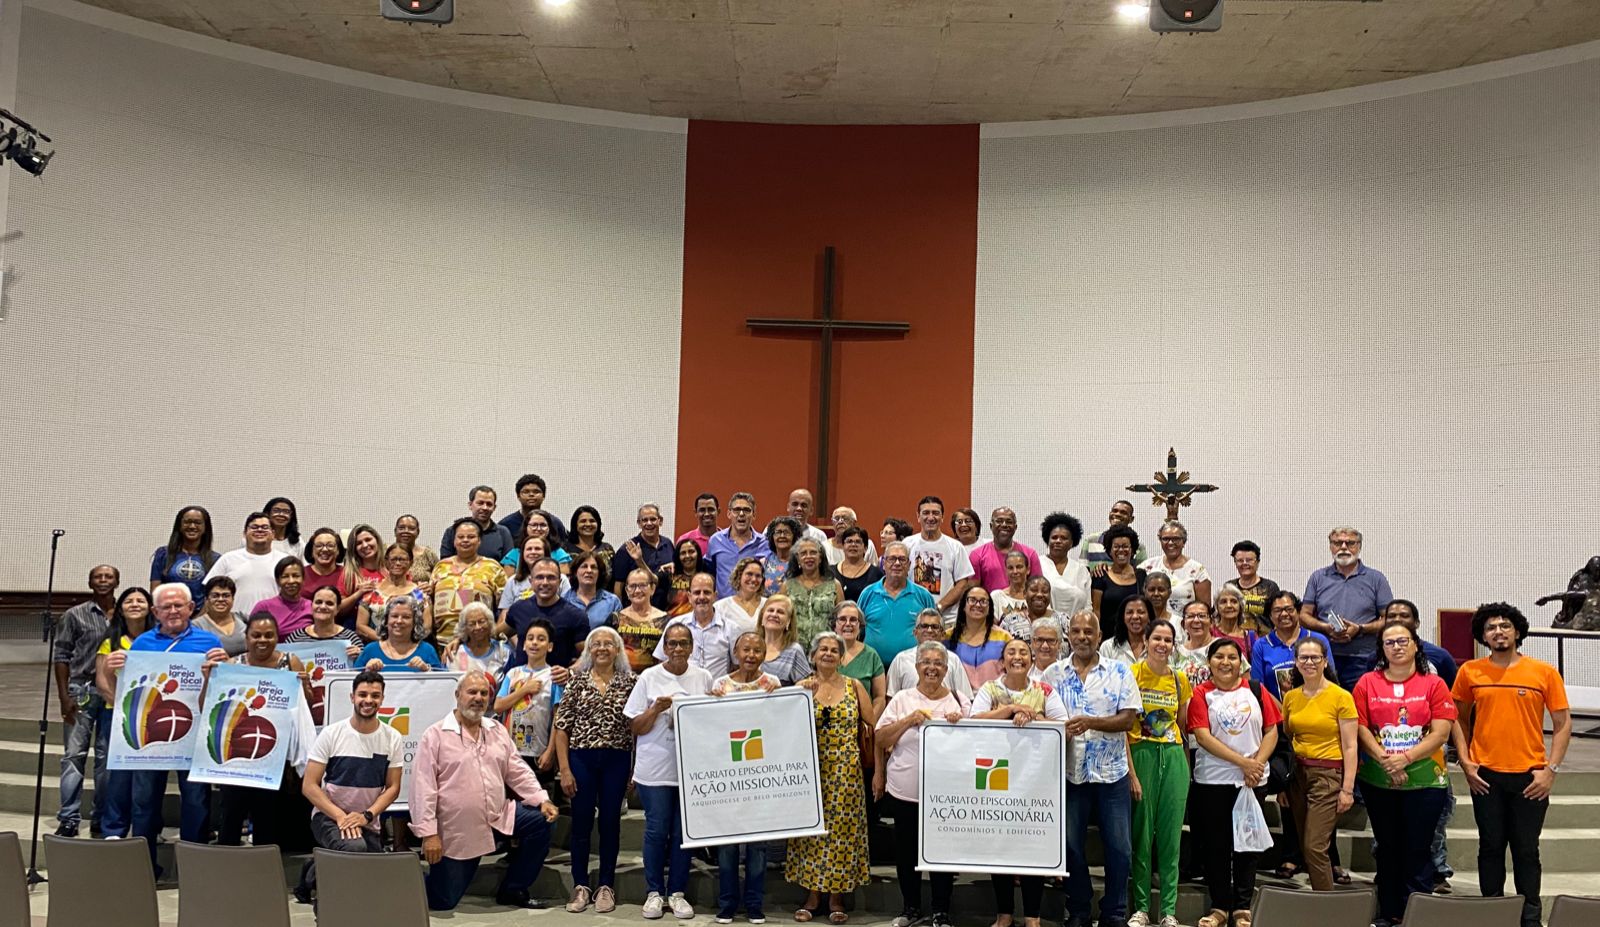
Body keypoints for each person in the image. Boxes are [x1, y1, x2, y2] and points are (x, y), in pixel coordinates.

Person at [1453, 602, 1571, 927]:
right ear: (1483, 635)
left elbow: (1562, 723)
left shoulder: (1543, 672)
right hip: (1485, 777)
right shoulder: (1470, 672)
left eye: (1504, 626)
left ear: (1517, 631)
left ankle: (1530, 919)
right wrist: (1465, 762)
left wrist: (1551, 770)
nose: (1498, 632)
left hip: (1530, 778)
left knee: (1526, 850)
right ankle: (1491, 914)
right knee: (1490, 847)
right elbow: (1458, 720)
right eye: (1491, 627)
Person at [101, 584, 227, 875]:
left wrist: (224, 666)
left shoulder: (209, 642)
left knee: (196, 800)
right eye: (166, 607)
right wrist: (110, 668)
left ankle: (195, 865)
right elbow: (125, 692)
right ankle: (145, 864)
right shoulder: (142, 644)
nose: (173, 611)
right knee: (144, 800)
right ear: (155, 612)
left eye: (179, 605)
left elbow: (222, 689)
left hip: (193, 735)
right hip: (150, 736)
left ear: (191, 608)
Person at [411, 670, 560, 911]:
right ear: (457, 695)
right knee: (443, 901)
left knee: (542, 820)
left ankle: (514, 888)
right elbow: (423, 788)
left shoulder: (496, 730)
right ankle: (401, 886)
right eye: (472, 692)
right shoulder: (435, 735)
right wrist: (429, 834)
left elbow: (517, 769)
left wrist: (542, 799)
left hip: (499, 816)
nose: (478, 698)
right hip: (458, 830)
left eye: (484, 693)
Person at [1351, 621, 1454, 926]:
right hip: (1378, 779)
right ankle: (1389, 913)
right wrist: (1385, 759)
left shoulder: (1433, 684)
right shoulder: (1367, 683)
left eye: (1402, 641)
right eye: (1389, 642)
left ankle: (1416, 916)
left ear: (1415, 645)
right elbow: (1359, 726)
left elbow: (1441, 732)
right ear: (1381, 648)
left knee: (1418, 849)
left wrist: (1405, 759)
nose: (1396, 647)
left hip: (1424, 781)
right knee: (1387, 847)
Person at [1042, 611, 1139, 927]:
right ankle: (1079, 908)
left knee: (1120, 848)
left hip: (1111, 773)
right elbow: (1040, 718)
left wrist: (1090, 723)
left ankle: (1114, 911)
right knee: (1070, 847)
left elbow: (1128, 719)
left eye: (1089, 632)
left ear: (1100, 637)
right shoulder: (1051, 675)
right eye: (1077, 631)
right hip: (1069, 774)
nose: (1083, 636)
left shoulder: (1120, 671)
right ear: (1069, 637)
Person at [968, 638, 1067, 927]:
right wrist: (1010, 710)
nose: (1018, 657)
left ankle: (1033, 916)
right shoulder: (990, 689)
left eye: (1023, 652)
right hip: (997, 778)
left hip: (1034, 780)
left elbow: (1065, 727)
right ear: (1003, 659)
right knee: (1000, 847)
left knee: (1031, 846)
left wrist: (1034, 715)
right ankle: (1004, 914)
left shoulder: (1044, 690)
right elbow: (974, 720)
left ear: (1031, 658)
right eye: (1011, 652)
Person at [1186, 638, 1280, 927]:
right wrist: (1244, 763)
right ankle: (1220, 907)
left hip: (1251, 783)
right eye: (1219, 657)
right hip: (1213, 782)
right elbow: (1202, 736)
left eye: (1232, 657)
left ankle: (1242, 908)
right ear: (1209, 662)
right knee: (1216, 846)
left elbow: (1272, 730)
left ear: (1242, 663)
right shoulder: (1201, 694)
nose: (1225, 662)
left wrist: (1257, 764)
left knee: (1247, 847)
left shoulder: (1255, 690)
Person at [874, 640, 968, 927]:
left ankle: (941, 911)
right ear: (916, 667)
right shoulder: (902, 698)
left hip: (944, 794)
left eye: (938, 663)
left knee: (941, 855)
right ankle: (910, 908)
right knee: (906, 854)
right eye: (926, 662)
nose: (932, 668)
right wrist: (908, 721)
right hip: (905, 791)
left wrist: (960, 723)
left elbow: (975, 743)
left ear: (946, 668)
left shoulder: (959, 700)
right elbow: (880, 739)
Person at [627, 623, 715, 919]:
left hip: (690, 769)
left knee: (682, 833)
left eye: (683, 643)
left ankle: (676, 893)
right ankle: (654, 892)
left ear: (692, 647)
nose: (677, 649)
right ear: (664, 648)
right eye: (672, 643)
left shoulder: (703, 677)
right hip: (654, 769)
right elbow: (635, 728)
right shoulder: (649, 677)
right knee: (656, 830)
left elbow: (712, 722)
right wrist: (655, 710)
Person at [294, 668, 403, 905]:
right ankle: (332, 907)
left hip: (365, 819)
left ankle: (312, 870)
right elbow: (309, 786)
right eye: (363, 694)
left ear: (382, 699)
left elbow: (393, 787)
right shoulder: (332, 734)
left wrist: (366, 816)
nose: (368, 700)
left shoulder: (392, 737)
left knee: (373, 871)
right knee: (354, 850)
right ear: (352, 697)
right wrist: (340, 816)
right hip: (329, 816)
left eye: (375, 696)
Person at [789, 631, 874, 924]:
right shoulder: (801, 687)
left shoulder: (855, 686)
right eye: (822, 649)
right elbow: (785, 727)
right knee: (811, 834)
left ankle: (837, 897)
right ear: (813, 655)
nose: (827, 653)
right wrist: (803, 695)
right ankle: (812, 895)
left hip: (846, 772)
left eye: (833, 650)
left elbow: (871, 728)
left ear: (841, 657)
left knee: (842, 835)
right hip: (810, 772)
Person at [554, 627, 636, 915]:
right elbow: (562, 727)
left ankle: (605, 885)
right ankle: (580, 885)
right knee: (581, 823)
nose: (602, 648)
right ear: (588, 651)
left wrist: (634, 770)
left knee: (611, 823)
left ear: (617, 650)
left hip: (617, 759)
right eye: (596, 644)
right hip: (582, 759)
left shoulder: (631, 682)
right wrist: (564, 769)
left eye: (608, 644)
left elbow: (636, 731)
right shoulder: (576, 682)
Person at [1381, 597, 1459, 891]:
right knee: (1389, 834)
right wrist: (1388, 759)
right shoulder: (1375, 665)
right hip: (1386, 762)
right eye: (1391, 616)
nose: (1397, 619)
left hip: (1430, 757)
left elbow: (1452, 709)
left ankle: (1436, 871)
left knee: (1434, 819)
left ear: (1416, 626)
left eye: (1404, 616)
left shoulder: (1440, 658)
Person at [215, 614, 310, 849]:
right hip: (236, 756)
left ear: (278, 637)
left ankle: (263, 875)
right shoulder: (231, 665)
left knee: (267, 818)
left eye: (269, 635)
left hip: (273, 756)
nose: (263, 640)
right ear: (246, 637)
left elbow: (305, 707)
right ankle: (223, 871)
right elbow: (213, 707)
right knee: (230, 816)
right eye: (256, 635)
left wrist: (305, 685)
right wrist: (210, 678)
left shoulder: (291, 662)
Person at [709, 633, 780, 925]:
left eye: (757, 650)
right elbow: (711, 726)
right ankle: (727, 903)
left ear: (765, 653)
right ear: (736, 652)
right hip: (729, 771)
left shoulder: (772, 684)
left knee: (758, 847)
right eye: (746, 649)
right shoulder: (720, 685)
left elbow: (780, 722)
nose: (751, 654)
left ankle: (754, 904)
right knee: (727, 845)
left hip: (760, 771)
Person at [1126, 619, 1191, 927]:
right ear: (1146, 641)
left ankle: (1168, 911)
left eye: (1168, 639)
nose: (1162, 644)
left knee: (1170, 838)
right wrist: (1132, 773)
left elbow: (1182, 722)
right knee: (1142, 834)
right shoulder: (1132, 674)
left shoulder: (1180, 679)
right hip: (1142, 754)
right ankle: (1140, 908)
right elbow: (1125, 725)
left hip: (1174, 755)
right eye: (1157, 638)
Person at [1280, 635, 1356, 894]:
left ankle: (1327, 907)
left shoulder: (1341, 696)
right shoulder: (1290, 697)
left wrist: (1347, 789)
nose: (1309, 662)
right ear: (1296, 662)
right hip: (1297, 775)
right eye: (1304, 657)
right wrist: (1283, 785)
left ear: (1325, 662)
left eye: (1315, 657)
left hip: (1327, 774)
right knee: (1305, 843)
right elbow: (1287, 740)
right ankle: (1318, 901)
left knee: (1315, 845)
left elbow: (1350, 746)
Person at [53, 564, 118, 838]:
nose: (103, 580)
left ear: (117, 581)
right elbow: (61, 655)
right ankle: (68, 817)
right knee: (73, 756)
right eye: (97, 577)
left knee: (105, 759)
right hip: (81, 690)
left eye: (108, 577)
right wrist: (64, 696)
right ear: (90, 582)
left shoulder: (126, 614)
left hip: (112, 693)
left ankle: (100, 816)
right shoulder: (74, 614)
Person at [92, 587, 153, 840]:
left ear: (151, 607)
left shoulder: (157, 640)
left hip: (151, 716)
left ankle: (148, 828)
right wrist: (124, 710)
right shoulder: (111, 642)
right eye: (129, 601)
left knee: (146, 777)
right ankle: (114, 828)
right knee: (117, 775)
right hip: (117, 715)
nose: (135, 604)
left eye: (141, 600)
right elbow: (102, 683)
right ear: (120, 609)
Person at [1300, 526, 1393, 691]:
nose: (1343, 547)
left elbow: (1390, 618)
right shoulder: (1318, 578)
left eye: (1350, 543)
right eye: (1337, 543)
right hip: (1324, 658)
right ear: (1331, 547)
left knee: (1358, 708)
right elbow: (1304, 616)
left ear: (1359, 546)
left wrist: (1360, 629)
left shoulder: (1376, 579)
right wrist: (1326, 628)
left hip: (1364, 658)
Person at [494, 619, 560, 773]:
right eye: (530, 638)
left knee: (540, 795)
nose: (534, 643)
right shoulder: (513, 673)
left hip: (539, 752)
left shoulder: (553, 676)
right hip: (511, 751)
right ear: (523, 645)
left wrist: (550, 751)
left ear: (549, 647)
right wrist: (524, 690)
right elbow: (498, 706)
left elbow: (558, 718)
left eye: (541, 639)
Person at [503, 558, 589, 673]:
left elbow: (588, 654)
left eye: (551, 577)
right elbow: (497, 634)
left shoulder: (575, 615)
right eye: (539, 577)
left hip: (557, 685)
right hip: (521, 684)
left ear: (559, 581)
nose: (545, 582)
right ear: (531, 581)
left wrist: (569, 672)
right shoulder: (518, 609)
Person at [859, 542, 938, 666]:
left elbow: (934, 632)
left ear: (909, 565)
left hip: (912, 667)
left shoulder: (923, 596)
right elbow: (858, 629)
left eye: (902, 559)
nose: (897, 563)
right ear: (883, 564)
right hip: (872, 667)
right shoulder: (868, 594)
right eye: (892, 559)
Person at [431, 517, 508, 641]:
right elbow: (429, 599)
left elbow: (505, 606)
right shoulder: (441, 566)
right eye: (460, 537)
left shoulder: (493, 567)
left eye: (471, 537)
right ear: (454, 541)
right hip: (441, 641)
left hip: (479, 642)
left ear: (479, 541)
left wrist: (495, 633)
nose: (465, 540)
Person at [1251, 590, 1335, 701]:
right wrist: (1282, 710)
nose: (1284, 614)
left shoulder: (1318, 640)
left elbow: (1331, 680)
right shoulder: (1261, 645)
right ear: (1270, 616)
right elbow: (1259, 688)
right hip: (1276, 714)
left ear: (1298, 612)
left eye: (1289, 609)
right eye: (1277, 610)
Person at [204, 511, 290, 616]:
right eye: (254, 527)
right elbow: (209, 593)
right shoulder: (228, 559)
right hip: (234, 624)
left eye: (264, 527)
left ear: (273, 534)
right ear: (244, 533)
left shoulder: (285, 560)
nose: (259, 530)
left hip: (273, 624)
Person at [905, 496, 976, 620]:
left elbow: (962, 583)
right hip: (912, 617)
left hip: (947, 619)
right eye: (926, 513)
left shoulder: (955, 547)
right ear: (918, 516)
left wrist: (939, 606)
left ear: (942, 517)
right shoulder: (907, 544)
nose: (931, 518)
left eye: (936, 513)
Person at [655, 572, 736, 678]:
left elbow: (736, 667)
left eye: (707, 592)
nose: (701, 597)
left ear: (715, 596)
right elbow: (661, 661)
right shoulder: (674, 624)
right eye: (697, 592)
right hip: (681, 691)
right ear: (689, 596)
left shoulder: (731, 628)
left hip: (717, 693)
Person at [886, 608, 973, 698]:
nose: (929, 630)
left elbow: (965, 698)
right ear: (915, 632)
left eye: (935, 627)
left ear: (943, 634)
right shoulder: (901, 659)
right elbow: (891, 698)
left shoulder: (954, 660)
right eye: (924, 626)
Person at [357, 543, 432, 643]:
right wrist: (386, 642)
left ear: (411, 562)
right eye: (393, 559)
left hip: (412, 648)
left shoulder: (419, 593)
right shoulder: (372, 591)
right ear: (386, 562)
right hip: (378, 647)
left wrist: (409, 642)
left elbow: (427, 625)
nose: (397, 563)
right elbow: (360, 626)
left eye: (402, 560)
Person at [610, 504, 676, 609]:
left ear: (660, 521)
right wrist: (620, 613)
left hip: (666, 611)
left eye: (653, 519)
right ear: (639, 523)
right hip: (637, 612)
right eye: (644, 520)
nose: (649, 523)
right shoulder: (628, 549)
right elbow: (618, 586)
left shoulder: (668, 544)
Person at [1139, 520, 1210, 619]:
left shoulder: (1198, 570)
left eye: (1176, 539)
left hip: (1185, 629)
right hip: (1152, 626)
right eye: (1166, 539)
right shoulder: (1146, 566)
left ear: (1184, 542)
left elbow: (1204, 609)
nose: (1170, 543)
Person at [150, 506, 219, 605]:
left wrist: (197, 620)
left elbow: (213, 596)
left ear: (205, 528)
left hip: (200, 618)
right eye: (187, 522)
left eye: (197, 523)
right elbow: (155, 592)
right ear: (179, 526)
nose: (192, 526)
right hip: (167, 615)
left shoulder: (215, 559)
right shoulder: (163, 554)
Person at [708, 492, 772, 598]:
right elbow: (710, 573)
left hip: (752, 607)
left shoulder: (764, 543)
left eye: (747, 510)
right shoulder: (716, 540)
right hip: (722, 608)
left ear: (754, 515)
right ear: (729, 514)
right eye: (737, 510)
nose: (741, 514)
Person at [1091, 524, 1146, 641]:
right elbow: (1096, 611)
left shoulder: (1142, 575)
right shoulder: (1100, 575)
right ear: (1109, 550)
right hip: (1108, 639)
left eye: (1125, 546)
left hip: (1137, 638)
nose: (1121, 550)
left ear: (1132, 550)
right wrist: (1096, 638)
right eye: (1116, 546)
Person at [968, 507, 1043, 593]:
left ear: (1015, 527)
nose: (1004, 525)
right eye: (999, 521)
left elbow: (1037, 588)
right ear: (991, 526)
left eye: (1009, 522)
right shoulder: (977, 555)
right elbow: (973, 592)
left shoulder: (1030, 554)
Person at [947, 586, 1010, 689]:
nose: (977, 605)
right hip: (959, 699)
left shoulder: (1004, 637)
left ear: (990, 608)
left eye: (983, 601)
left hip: (996, 699)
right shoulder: (948, 637)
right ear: (963, 605)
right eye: (972, 600)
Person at [358, 597, 443, 672]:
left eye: (406, 617)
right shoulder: (370, 650)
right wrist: (366, 671)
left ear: (415, 622)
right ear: (386, 621)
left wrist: (427, 670)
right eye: (394, 616)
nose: (399, 621)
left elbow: (443, 685)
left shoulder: (427, 650)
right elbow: (351, 683)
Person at [833, 602, 887, 718]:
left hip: (862, 724)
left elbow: (880, 697)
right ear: (834, 625)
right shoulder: (825, 653)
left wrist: (869, 723)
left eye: (853, 620)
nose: (848, 624)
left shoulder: (871, 655)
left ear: (860, 625)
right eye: (842, 619)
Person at [785, 537, 842, 645]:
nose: (808, 557)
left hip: (826, 649)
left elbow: (841, 620)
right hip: (793, 647)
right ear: (797, 558)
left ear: (820, 557)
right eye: (803, 553)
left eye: (813, 552)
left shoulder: (834, 585)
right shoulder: (787, 586)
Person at [439, 484, 516, 562]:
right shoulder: (453, 531)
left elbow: (510, 564)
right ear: (470, 505)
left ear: (494, 508)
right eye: (480, 503)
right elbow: (445, 563)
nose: (485, 508)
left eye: (489, 504)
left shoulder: (503, 533)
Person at [499, 535, 568, 622]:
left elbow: (567, 610)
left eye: (537, 549)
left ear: (545, 552)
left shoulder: (562, 579)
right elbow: (505, 615)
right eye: (529, 549)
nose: (533, 552)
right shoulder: (513, 581)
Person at [285, 586, 365, 661]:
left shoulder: (351, 639)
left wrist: (360, 657)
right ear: (311, 606)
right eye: (318, 602)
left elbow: (363, 670)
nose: (323, 607)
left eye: (329, 603)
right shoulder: (295, 637)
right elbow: (283, 666)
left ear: (337, 609)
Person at [1039, 511, 1091, 619]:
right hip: (1044, 627)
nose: (1058, 541)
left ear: (1071, 543)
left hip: (1075, 629)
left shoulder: (1081, 570)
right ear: (1047, 540)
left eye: (1063, 538)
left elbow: (1088, 606)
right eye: (1054, 537)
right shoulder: (1038, 564)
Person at [616, 568, 669, 673]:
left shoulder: (666, 620)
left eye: (642, 585)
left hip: (656, 679)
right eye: (632, 586)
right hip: (622, 679)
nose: (637, 591)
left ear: (652, 588)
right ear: (626, 590)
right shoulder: (615, 619)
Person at [445, 602, 514, 681]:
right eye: (472, 624)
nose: (477, 627)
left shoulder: (504, 653)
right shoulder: (453, 653)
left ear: (490, 623)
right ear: (464, 628)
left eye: (482, 621)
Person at [757, 595, 813, 685]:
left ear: (788, 621)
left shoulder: (794, 650)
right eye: (770, 610)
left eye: (780, 612)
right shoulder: (751, 646)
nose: (774, 615)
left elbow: (804, 688)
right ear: (762, 618)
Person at [501, 473, 568, 549]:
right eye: (526, 492)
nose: (531, 495)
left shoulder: (555, 523)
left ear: (543, 496)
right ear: (518, 496)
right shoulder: (506, 524)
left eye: (536, 492)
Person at [1079, 501, 1147, 573]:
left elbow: (1142, 573)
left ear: (1131, 519)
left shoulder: (1138, 546)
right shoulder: (1091, 540)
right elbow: (1082, 571)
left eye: (1123, 512)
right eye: (1114, 511)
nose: (1117, 514)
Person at [252, 556, 313, 637]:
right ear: (277, 581)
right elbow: (252, 637)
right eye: (285, 576)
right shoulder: (264, 607)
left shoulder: (311, 606)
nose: (291, 581)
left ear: (303, 579)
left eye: (296, 576)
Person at [565, 550, 623, 629]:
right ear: (575, 572)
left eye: (593, 567)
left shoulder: (613, 602)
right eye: (584, 566)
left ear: (599, 573)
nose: (589, 571)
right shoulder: (564, 600)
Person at [340, 524, 385, 623]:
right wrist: (358, 593)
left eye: (368, 540)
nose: (365, 545)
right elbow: (339, 610)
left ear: (377, 540)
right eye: (359, 543)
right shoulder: (349, 573)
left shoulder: (391, 568)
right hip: (355, 624)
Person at [1229, 541, 1278, 632]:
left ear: (1258, 562)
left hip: (1264, 639)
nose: (1244, 563)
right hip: (1234, 640)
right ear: (1235, 563)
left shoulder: (1270, 587)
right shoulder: (1229, 587)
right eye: (1240, 560)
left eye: (1249, 560)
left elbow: (1277, 615)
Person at [715, 557, 768, 638]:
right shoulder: (720, 607)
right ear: (739, 575)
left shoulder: (768, 605)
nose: (754, 579)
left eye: (758, 576)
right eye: (749, 574)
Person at [194, 576, 248, 656]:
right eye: (215, 596)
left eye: (226, 595)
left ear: (233, 599)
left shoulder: (243, 618)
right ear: (206, 600)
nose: (220, 599)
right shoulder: (196, 626)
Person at [503, 510, 573, 571]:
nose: (539, 529)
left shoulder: (559, 554)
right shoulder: (514, 554)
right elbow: (508, 584)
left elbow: (563, 582)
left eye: (543, 525)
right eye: (534, 525)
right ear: (525, 527)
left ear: (549, 528)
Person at [833, 527, 884, 603]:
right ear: (843, 546)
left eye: (858, 542)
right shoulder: (830, 572)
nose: (853, 545)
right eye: (849, 541)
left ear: (865, 548)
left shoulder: (876, 574)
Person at [301, 528, 350, 606]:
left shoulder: (348, 574)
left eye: (330, 545)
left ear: (338, 551)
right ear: (311, 551)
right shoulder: (300, 574)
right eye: (319, 545)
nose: (324, 549)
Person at [989, 550, 1034, 634]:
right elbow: (991, 628)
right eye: (1010, 568)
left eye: (1019, 567)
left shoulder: (1036, 596)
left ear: (1028, 570)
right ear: (1006, 571)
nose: (1015, 571)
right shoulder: (997, 596)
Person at [1174, 600, 1216, 688]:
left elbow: (1243, 682)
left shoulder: (1224, 647)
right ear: (1183, 624)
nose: (1196, 620)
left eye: (1202, 616)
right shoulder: (1176, 651)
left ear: (1211, 622)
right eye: (1190, 616)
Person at [665, 537, 711, 617]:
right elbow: (651, 580)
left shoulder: (707, 577)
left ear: (698, 554)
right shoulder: (670, 575)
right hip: (673, 622)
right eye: (683, 553)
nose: (687, 556)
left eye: (691, 552)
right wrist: (640, 561)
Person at [1102, 595, 1152, 666]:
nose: (1135, 616)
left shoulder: (1158, 646)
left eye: (1140, 612)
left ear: (1149, 617)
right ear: (1123, 618)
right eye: (1129, 612)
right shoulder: (1108, 647)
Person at [564, 505, 615, 570]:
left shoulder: (607, 549)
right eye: (583, 521)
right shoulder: (565, 550)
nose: (588, 524)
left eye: (592, 521)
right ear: (575, 525)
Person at [393, 514, 439, 585]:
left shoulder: (428, 554)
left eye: (411, 528)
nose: (406, 531)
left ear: (418, 532)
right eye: (401, 528)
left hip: (422, 595)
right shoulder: (384, 552)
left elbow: (439, 579)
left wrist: (432, 588)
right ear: (395, 531)